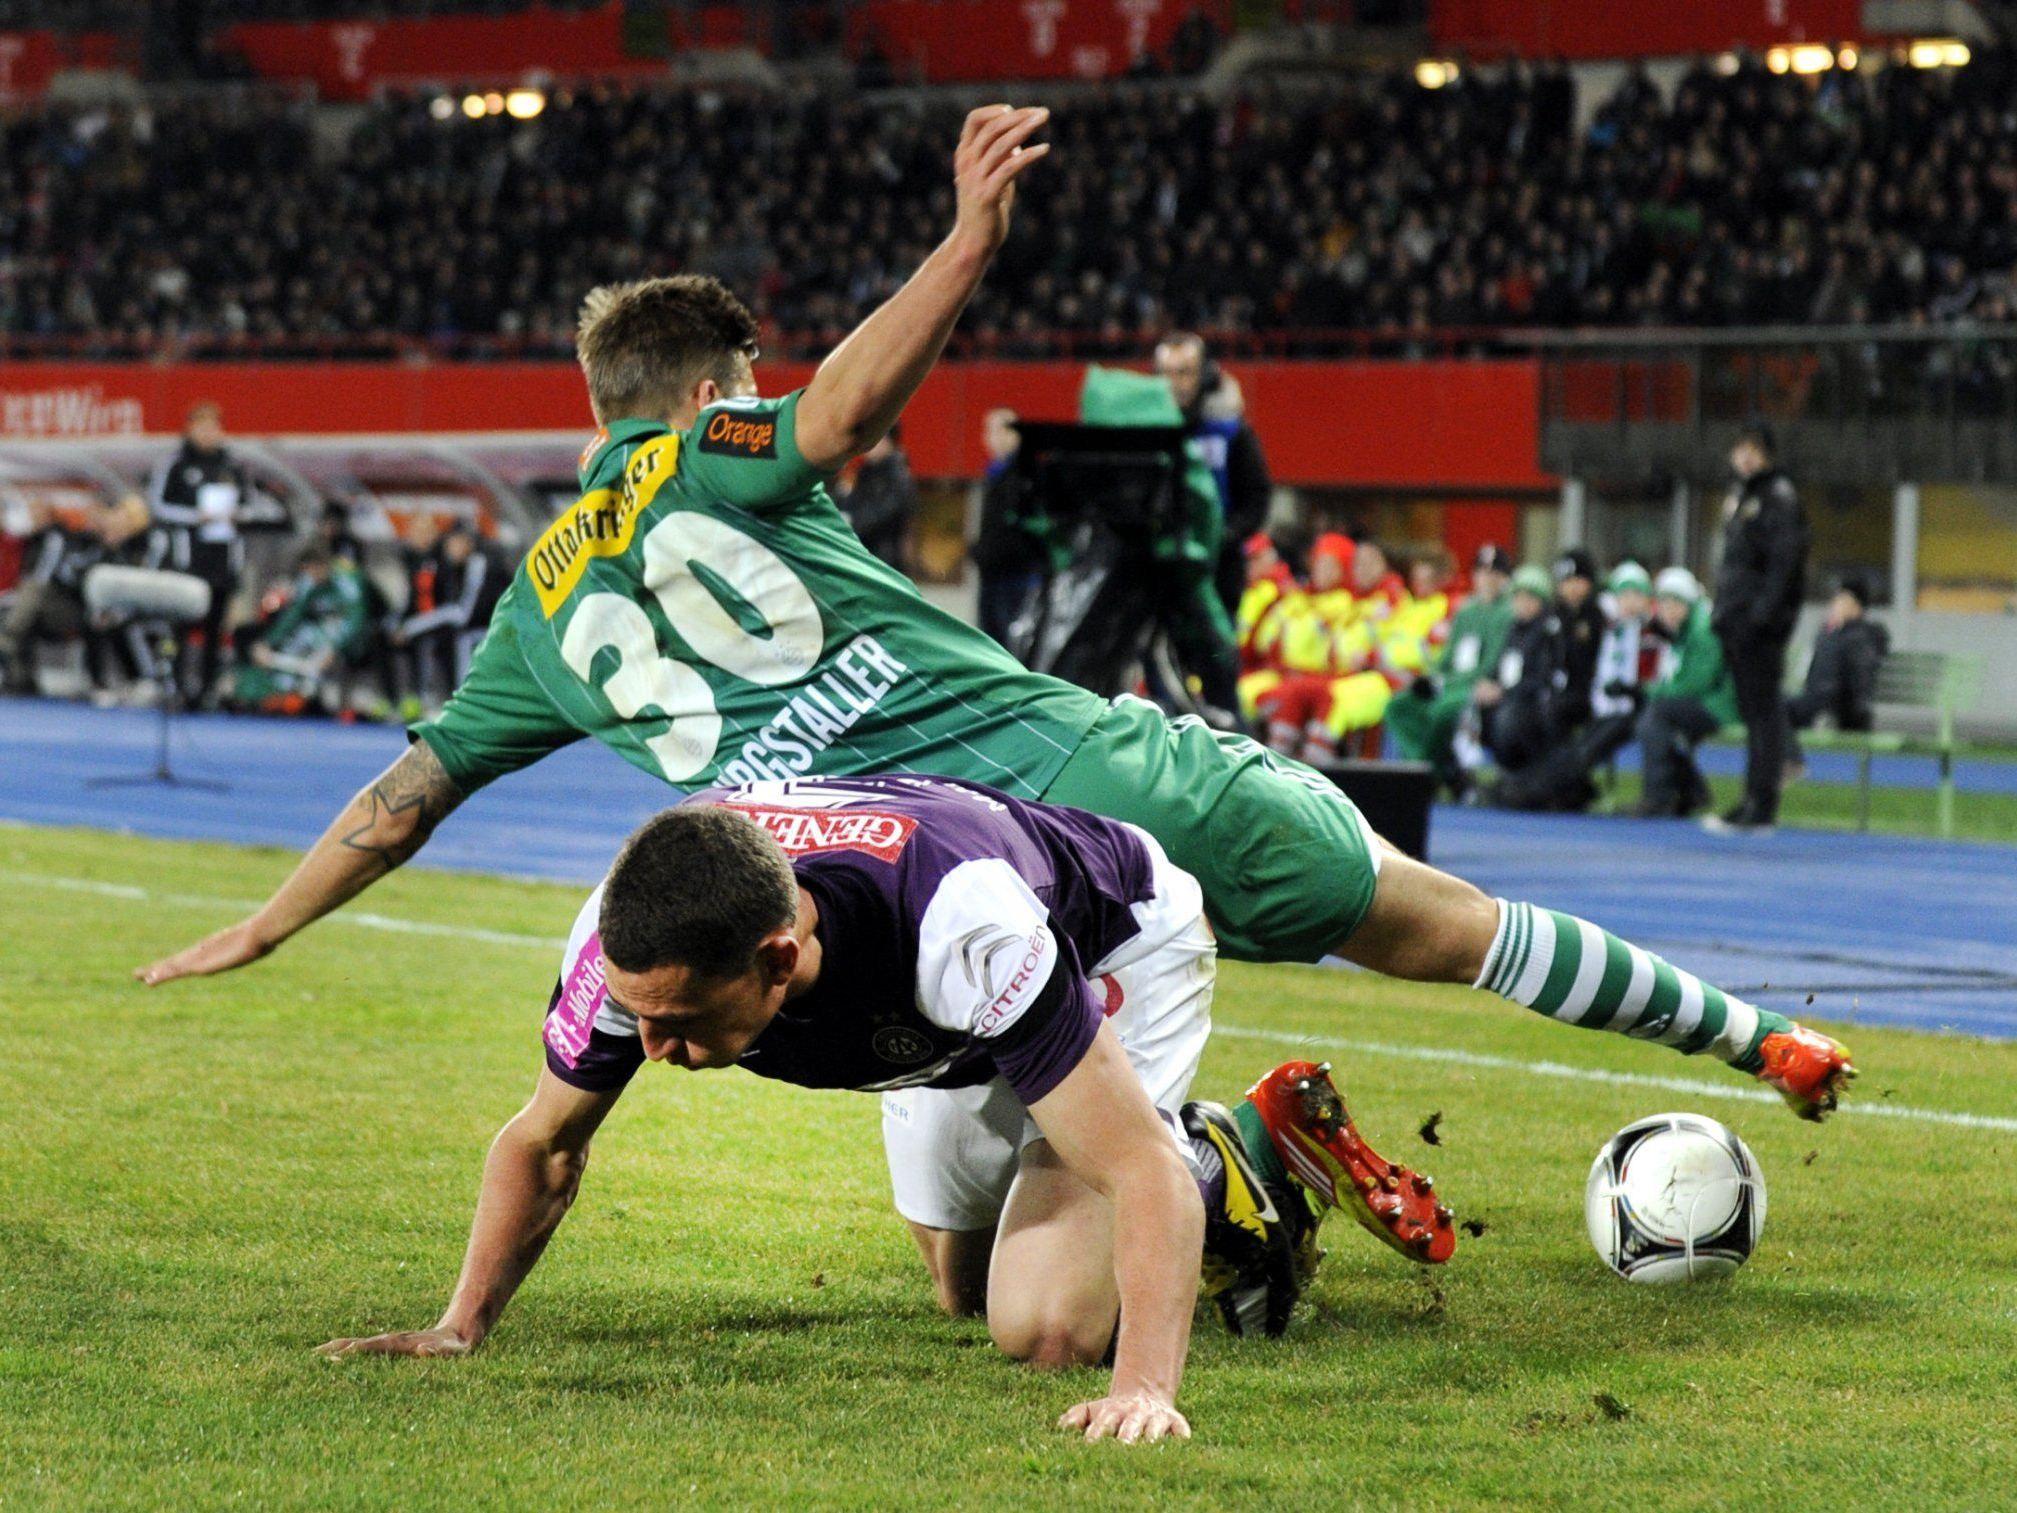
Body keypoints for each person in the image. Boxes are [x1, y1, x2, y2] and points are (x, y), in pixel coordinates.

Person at [139, 106, 1855, 1136]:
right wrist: (965, 241)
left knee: (1012, 1210)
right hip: (1061, 769)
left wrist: (268, 925)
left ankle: (1201, 1164)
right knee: (1420, 921)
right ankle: (1750, 1035)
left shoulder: (532, 600)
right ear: (706, 385)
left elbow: (403, 795)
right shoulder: (710, 443)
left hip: (868, 905)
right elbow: (846, 417)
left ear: (585, 404)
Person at [314, 778, 1454, 1445]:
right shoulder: (629, 941)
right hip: (941, 1033)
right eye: (637, 1017)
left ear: (777, 957)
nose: (650, 1050)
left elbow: (1133, 1171)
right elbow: (544, 1141)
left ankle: (1247, 1144)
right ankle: (1050, 1142)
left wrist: (1144, 1391)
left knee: (1046, 1330)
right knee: (961, 1295)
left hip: (1117, 949)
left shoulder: (961, 927)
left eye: (680, 1024)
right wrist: (460, 1326)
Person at [1487, 560, 1659, 813]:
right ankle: (1545, 788)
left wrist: (1632, 691)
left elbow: (1656, 678)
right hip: (1602, 701)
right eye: (1624, 594)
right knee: (1558, 730)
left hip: (1629, 707)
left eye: (1636, 594)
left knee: (1583, 746)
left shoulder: (1647, 632)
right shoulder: (1609, 626)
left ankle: (1535, 790)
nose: (1630, 601)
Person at [1708, 421, 1809, 834]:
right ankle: (1751, 797)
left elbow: (1785, 565)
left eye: (1754, 448)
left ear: (1767, 453)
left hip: (1757, 627)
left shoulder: (1777, 498)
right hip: (1737, 621)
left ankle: (1761, 804)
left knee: (1764, 715)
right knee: (1753, 715)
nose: (1746, 456)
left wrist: (1763, 616)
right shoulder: (1744, 495)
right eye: (1740, 448)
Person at [1154, 332, 1273, 616]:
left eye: (1184, 373)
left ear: (1205, 376)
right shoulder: (1148, 431)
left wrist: (1224, 536)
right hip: (1160, 566)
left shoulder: (1230, 431)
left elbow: (1257, 496)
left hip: (1218, 569)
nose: (1173, 383)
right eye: (1166, 373)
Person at [144, 401, 255, 705]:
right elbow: (158, 505)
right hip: (188, 561)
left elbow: (250, 505)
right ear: (190, 429)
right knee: (181, 627)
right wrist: (195, 517)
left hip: (222, 561)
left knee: (214, 629)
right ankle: (176, 688)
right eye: (202, 427)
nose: (209, 434)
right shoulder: (176, 464)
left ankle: (206, 690)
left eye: (213, 427)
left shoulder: (232, 466)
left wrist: (237, 515)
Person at [1386, 544, 1514, 798]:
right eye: (1481, 571)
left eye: (1493, 572)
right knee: (1399, 705)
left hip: (1476, 686)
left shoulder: (1506, 613)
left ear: (1504, 577)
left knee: (1443, 711)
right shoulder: (1466, 610)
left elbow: (1491, 664)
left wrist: (1446, 682)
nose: (1487, 578)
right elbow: (1447, 657)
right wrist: (1432, 677)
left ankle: (1423, 776)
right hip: (1450, 682)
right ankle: (1439, 770)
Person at [1635, 568, 1739, 819]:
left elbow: (1697, 683)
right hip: (1704, 702)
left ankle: (1659, 797)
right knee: (1656, 723)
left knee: (1654, 718)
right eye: (1664, 603)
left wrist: (1654, 690)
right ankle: (1690, 791)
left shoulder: (1703, 631)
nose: (1668, 610)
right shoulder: (1683, 627)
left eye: (1675, 603)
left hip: (1718, 705)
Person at [1784, 572, 1889, 780]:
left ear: (1856, 606)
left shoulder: (1863, 637)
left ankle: (1795, 757)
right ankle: (1790, 760)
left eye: (1841, 600)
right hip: (1817, 701)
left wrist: (1851, 712)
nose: (1835, 605)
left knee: (1779, 709)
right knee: (1773, 707)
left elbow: (1860, 680)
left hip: (1839, 707)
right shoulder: (1831, 632)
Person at [394, 522, 507, 708]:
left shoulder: (479, 563)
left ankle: (465, 704)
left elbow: (464, 614)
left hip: (499, 632)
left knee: (461, 638)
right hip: (485, 629)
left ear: (468, 542)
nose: (449, 548)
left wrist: (411, 627)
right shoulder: (459, 566)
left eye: (454, 543)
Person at [970, 407, 1041, 647]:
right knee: (990, 643)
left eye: (998, 431)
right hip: (993, 574)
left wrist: (986, 552)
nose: (991, 438)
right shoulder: (994, 474)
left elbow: (1016, 527)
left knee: (1011, 644)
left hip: (1015, 577)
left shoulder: (1023, 474)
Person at [835, 425, 918, 574]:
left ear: (889, 442)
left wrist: (852, 524)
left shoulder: (898, 475)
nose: (868, 447)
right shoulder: (865, 472)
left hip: (887, 559)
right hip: (865, 554)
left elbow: (885, 512)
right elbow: (850, 503)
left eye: (875, 440)